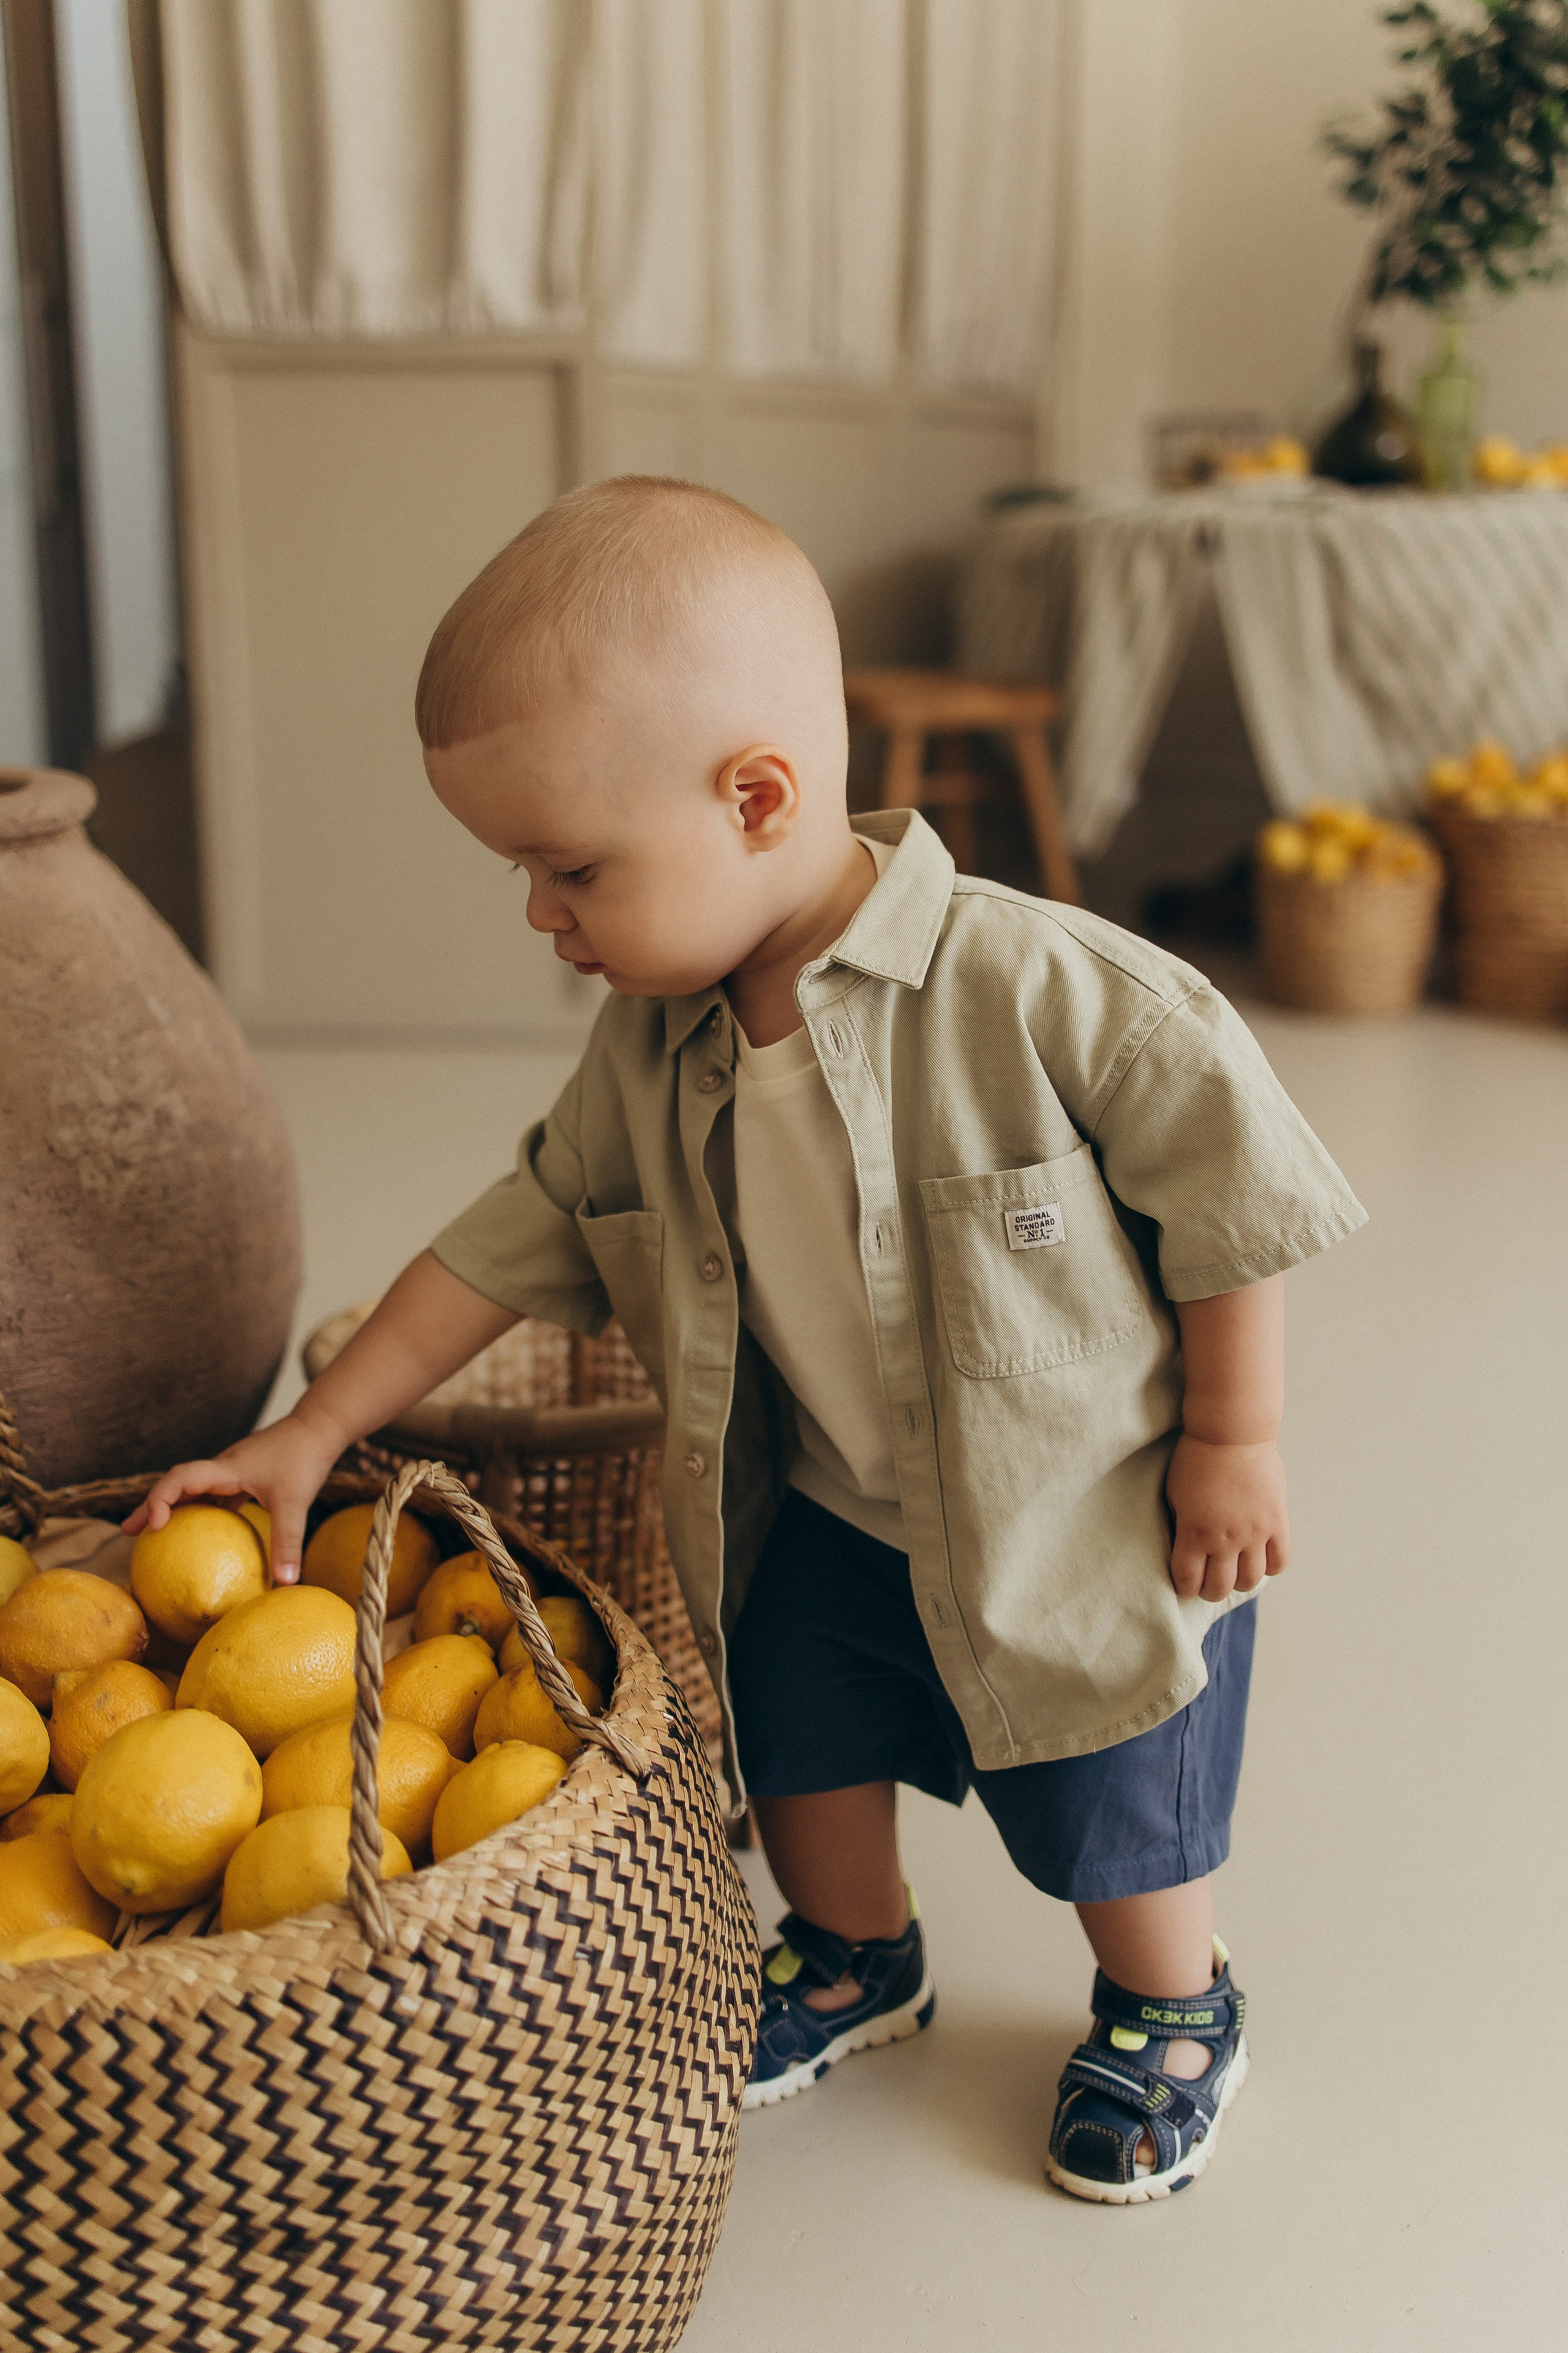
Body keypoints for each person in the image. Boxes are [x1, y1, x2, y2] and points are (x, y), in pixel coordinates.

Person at [127, 477, 1366, 2204]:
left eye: (571, 868)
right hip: (837, 1507)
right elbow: (515, 1232)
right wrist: (313, 1430)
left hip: (1075, 1513)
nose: (542, 916)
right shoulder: (648, 1057)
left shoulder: (1042, 993)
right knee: (800, 1736)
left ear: (758, 797)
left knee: (1115, 1786)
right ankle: (858, 1948)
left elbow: (1235, 1190)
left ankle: (1172, 1997)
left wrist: (1234, 1436)